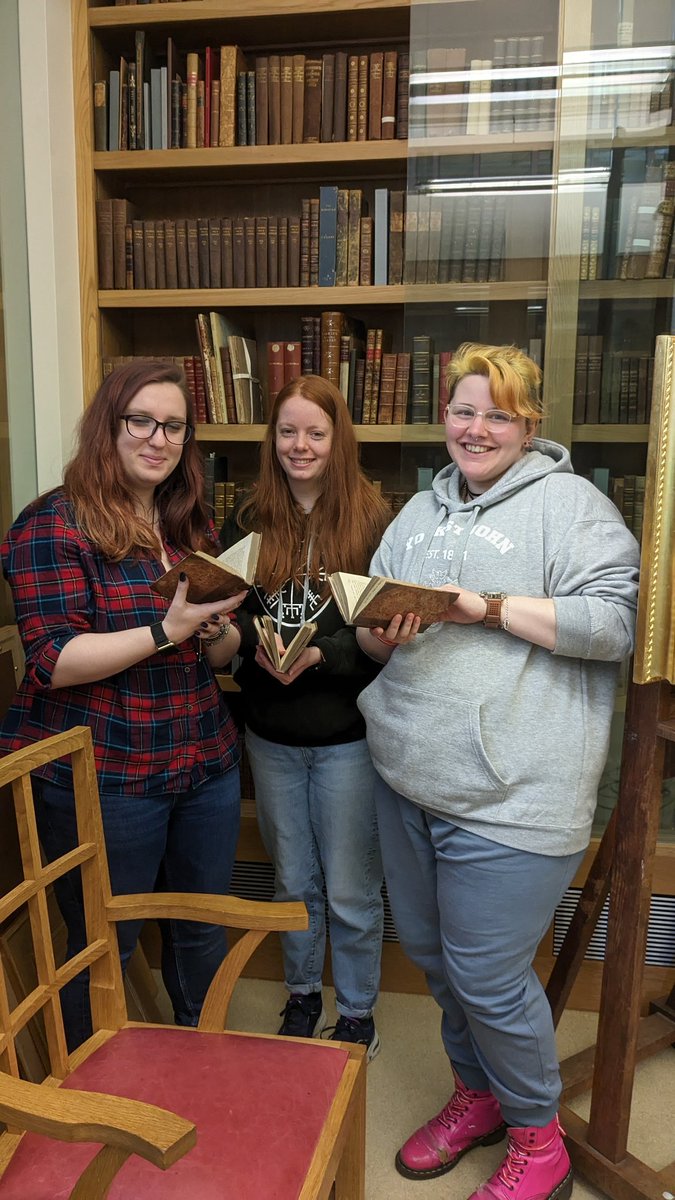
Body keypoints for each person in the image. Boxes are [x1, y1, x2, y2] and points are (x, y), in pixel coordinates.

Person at [355, 343, 640, 1198]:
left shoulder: (574, 508)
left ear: (528, 423)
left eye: (497, 414)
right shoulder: (417, 510)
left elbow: (614, 624)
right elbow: (372, 622)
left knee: (486, 975)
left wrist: (482, 609)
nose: (475, 429)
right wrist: (381, 629)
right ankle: (475, 1096)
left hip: (514, 795)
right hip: (406, 775)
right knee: (440, 965)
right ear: (444, 415)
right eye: (462, 410)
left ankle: (536, 1137)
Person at [0, 359, 248, 1051]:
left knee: (200, 927)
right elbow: (52, 660)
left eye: (172, 425)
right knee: (103, 944)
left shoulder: (188, 522)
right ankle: (97, 1088)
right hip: (105, 775)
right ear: (107, 427)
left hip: (204, 762)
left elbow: (219, 655)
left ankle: (201, 1055)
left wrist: (216, 630)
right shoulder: (53, 524)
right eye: (140, 420)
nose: (157, 438)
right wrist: (164, 632)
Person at [219, 374, 391, 1059]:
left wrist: (320, 654)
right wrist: (242, 653)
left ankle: (355, 1012)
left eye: (314, 432)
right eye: (287, 431)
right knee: (292, 881)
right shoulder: (247, 519)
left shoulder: (376, 520)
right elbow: (230, 617)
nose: (300, 445)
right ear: (272, 440)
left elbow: (386, 631)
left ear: (337, 439)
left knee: (350, 886)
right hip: (270, 734)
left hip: (348, 735)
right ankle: (300, 996)